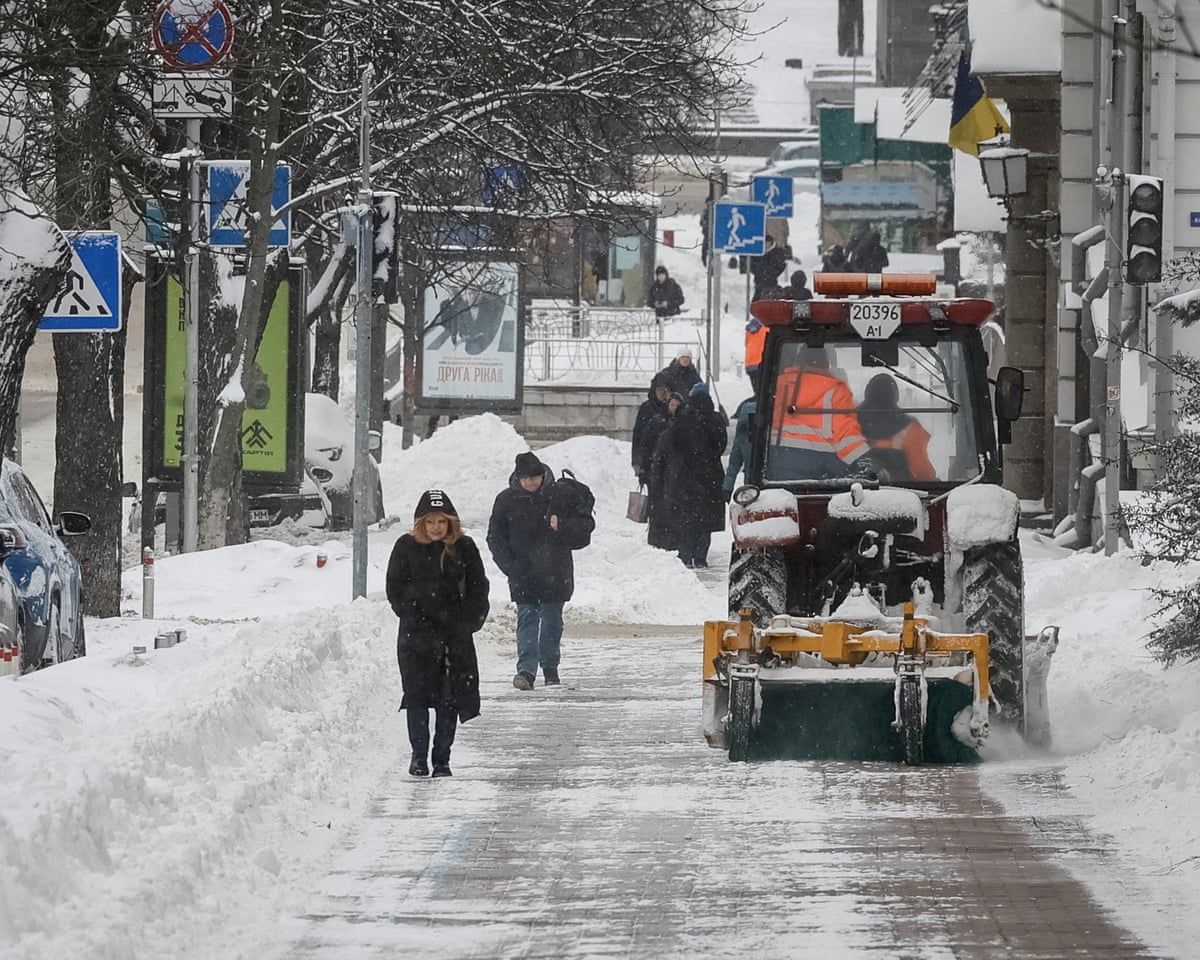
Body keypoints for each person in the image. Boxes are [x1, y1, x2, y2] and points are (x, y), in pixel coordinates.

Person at [386, 489, 490, 779]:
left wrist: (468, 621)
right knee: (416, 697)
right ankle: (418, 756)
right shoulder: (405, 546)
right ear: (420, 522)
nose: (435, 528)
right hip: (416, 638)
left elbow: (478, 588)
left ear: (450, 523)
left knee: (449, 700)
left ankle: (442, 759)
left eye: (441, 522)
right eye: (430, 521)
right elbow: (394, 588)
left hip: (453, 638)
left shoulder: (464, 548)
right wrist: (414, 612)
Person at [487, 452, 593, 690]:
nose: (531, 483)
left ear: (542, 475)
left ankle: (550, 668)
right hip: (522, 572)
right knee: (527, 618)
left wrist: (561, 526)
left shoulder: (559, 496)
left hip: (555, 570)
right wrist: (510, 567)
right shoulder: (506, 500)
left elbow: (584, 531)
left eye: (535, 477)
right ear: (517, 478)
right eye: (526, 478)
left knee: (552, 620)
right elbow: (495, 537)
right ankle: (526, 671)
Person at [649, 382, 728, 568]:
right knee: (705, 522)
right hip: (709, 477)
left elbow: (666, 448)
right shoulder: (715, 419)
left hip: (683, 477)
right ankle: (701, 557)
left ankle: (686, 556)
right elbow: (721, 446)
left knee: (686, 520)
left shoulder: (682, 419)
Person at [769, 349, 870, 480]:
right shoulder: (836, 390)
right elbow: (845, 433)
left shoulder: (778, 385)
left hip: (779, 458)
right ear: (826, 364)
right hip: (820, 463)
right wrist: (864, 461)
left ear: (798, 361)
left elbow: (765, 420)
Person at [856, 373, 937, 481]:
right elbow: (924, 473)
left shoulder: (847, 423)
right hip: (900, 493)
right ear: (895, 397)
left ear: (867, 394)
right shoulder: (909, 428)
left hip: (853, 491)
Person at [631, 373, 671, 487]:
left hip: (669, 463)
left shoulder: (673, 408)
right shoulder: (646, 408)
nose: (663, 393)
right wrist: (637, 463)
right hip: (649, 460)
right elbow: (638, 435)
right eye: (660, 390)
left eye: (665, 390)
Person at [723, 396, 757, 501]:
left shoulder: (745, 407)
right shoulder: (775, 407)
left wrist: (727, 488)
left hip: (751, 488)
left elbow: (734, 462)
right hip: (775, 484)